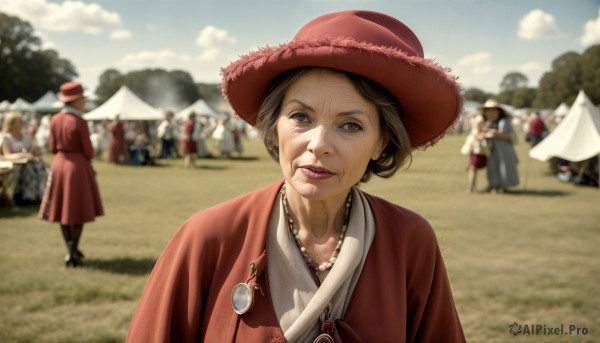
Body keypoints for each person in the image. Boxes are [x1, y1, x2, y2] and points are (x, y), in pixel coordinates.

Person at [126, 10, 465, 342]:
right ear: (274, 127)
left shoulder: (410, 240)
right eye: (301, 116)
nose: (318, 145)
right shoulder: (208, 237)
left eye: (350, 125)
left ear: (381, 142)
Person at [39, 81, 104, 268]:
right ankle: (73, 252)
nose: (84, 101)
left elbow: (52, 147)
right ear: (75, 101)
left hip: (59, 164)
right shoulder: (79, 121)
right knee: (77, 211)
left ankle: (71, 251)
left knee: (63, 211)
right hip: (77, 167)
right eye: (82, 98)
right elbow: (89, 151)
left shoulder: (55, 120)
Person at [1, 111, 48, 204]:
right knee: (30, 170)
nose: (22, 124)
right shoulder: (7, 138)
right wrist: (22, 155)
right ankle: (28, 197)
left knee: (43, 169)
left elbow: (31, 149)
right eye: (19, 122)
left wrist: (35, 151)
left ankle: (41, 195)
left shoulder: (25, 136)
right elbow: (6, 155)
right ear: (11, 124)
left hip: (29, 161)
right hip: (16, 164)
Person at [480, 99, 520, 193]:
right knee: (492, 169)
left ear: (498, 111)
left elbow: (510, 136)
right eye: (488, 110)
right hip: (492, 151)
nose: (490, 113)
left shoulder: (504, 122)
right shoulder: (488, 123)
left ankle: (502, 187)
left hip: (503, 152)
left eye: (493, 110)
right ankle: (493, 185)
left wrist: (495, 133)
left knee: (503, 168)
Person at [460, 111, 488, 193]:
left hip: (475, 145)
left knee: (473, 168)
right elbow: (477, 132)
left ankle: (472, 187)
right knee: (473, 167)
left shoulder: (479, 118)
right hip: (476, 146)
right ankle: (471, 187)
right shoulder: (480, 119)